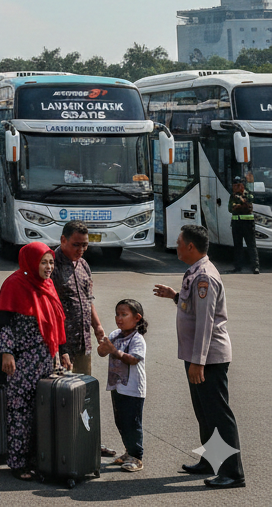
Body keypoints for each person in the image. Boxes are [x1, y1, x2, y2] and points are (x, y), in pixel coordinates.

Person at [153, 224, 245, 489]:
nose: (176, 245)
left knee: (218, 414)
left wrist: (198, 362)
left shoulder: (204, 277)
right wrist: (174, 296)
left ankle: (233, 473)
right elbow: (192, 306)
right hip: (198, 355)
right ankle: (212, 461)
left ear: (190, 246)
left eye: (179, 242)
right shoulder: (195, 272)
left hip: (208, 358)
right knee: (204, 412)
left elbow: (205, 323)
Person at [0, 241, 68, 480]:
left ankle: (41, 459)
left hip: (47, 360)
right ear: (31, 262)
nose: (48, 267)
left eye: (51, 262)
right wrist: (7, 352)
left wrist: (62, 351)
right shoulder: (14, 284)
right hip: (23, 362)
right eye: (43, 262)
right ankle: (18, 463)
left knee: (43, 412)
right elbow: (3, 323)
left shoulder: (48, 285)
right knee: (20, 412)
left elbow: (57, 322)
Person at [52, 219, 117, 457]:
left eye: (85, 246)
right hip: (61, 347)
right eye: (76, 245)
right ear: (63, 240)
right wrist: (60, 347)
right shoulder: (51, 265)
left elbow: (88, 301)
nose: (81, 250)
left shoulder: (83, 265)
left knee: (85, 396)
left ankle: (89, 441)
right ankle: (64, 445)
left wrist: (98, 328)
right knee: (62, 398)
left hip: (83, 343)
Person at [96, 298, 148, 472]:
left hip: (133, 389)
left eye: (124, 314)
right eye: (117, 314)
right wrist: (103, 348)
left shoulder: (137, 339)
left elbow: (133, 359)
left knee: (132, 423)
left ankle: (137, 457)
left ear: (137, 318)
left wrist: (114, 351)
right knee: (121, 421)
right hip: (117, 387)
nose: (119, 318)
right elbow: (102, 352)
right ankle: (128, 452)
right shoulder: (114, 334)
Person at [228, 177, 259, 274]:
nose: (236, 187)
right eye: (234, 185)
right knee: (238, 246)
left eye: (238, 185)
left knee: (251, 246)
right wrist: (242, 206)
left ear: (242, 185)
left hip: (248, 224)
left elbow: (249, 205)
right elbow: (230, 208)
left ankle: (255, 267)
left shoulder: (248, 194)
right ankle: (238, 266)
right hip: (236, 224)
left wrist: (239, 205)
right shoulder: (232, 196)